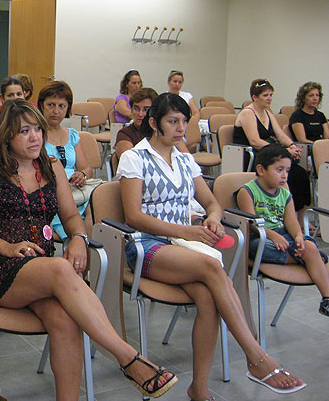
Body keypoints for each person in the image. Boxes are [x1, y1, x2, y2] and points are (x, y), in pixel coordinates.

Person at [0, 100, 178, 400]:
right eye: (24, 131)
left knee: (66, 321)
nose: (34, 137)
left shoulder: (52, 167)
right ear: (7, 136)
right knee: (61, 267)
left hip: (41, 269)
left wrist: (78, 239)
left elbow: (72, 216)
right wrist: (5, 246)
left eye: (38, 129)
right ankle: (128, 358)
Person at [117, 93, 305, 399]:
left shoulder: (184, 159)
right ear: (153, 123)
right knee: (212, 265)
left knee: (208, 299)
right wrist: (187, 231)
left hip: (182, 245)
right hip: (146, 245)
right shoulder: (134, 158)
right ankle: (256, 357)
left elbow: (211, 203)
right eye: (172, 121)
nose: (180, 128)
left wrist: (213, 219)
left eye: (184, 121)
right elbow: (133, 216)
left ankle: (199, 389)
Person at [236, 144, 329, 316]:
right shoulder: (247, 191)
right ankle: (310, 258)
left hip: (283, 236)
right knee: (260, 247)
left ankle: (327, 299)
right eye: (279, 170)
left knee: (307, 244)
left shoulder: (285, 194)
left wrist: (298, 235)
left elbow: (291, 221)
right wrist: (273, 236)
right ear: (261, 170)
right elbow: (252, 224)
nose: (285, 175)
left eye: (287, 170)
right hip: (260, 236)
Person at [234, 79, 310, 225]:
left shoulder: (267, 113)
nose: (269, 98)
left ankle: (299, 216)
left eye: (270, 95)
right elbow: (255, 141)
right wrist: (283, 151)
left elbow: (280, 136)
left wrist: (292, 146)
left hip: (269, 154)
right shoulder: (247, 113)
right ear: (255, 97)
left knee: (299, 173)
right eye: (265, 95)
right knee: (285, 174)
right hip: (252, 155)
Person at [38, 81, 93, 239]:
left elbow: (87, 168)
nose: (56, 111)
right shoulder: (35, 135)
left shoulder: (72, 135)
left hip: (76, 191)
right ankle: (77, 241)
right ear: (41, 105)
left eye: (62, 106)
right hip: (50, 193)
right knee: (75, 228)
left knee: (96, 211)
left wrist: (81, 174)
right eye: (51, 105)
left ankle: (87, 246)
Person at [114, 88, 158, 160]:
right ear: (131, 110)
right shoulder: (125, 134)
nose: (140, 114)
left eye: (146, 110)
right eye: (136, 109)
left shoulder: (160, 132)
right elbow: (129, 161)